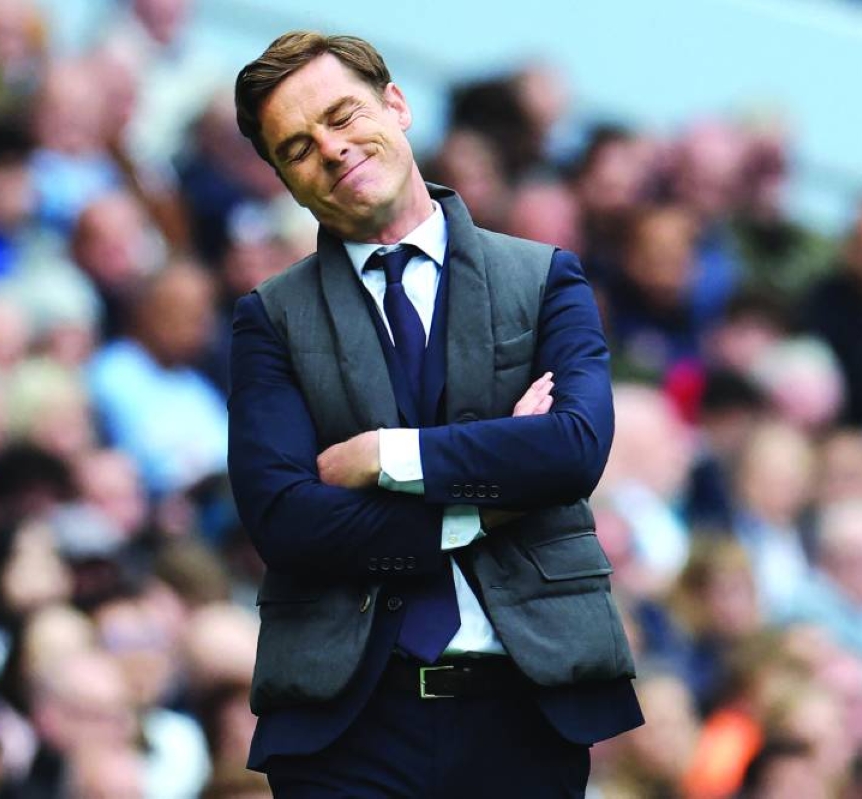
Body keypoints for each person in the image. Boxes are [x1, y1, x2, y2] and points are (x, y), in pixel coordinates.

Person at [228, 31, 642, 798]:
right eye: (297, 146)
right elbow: (284, 516)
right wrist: (481, 509)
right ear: (285, 180)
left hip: (525, 713)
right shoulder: (270, 319)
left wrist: (389, 455)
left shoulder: (546, 278)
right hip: (346, 726)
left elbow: (574, 449)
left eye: (343, 114)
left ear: (397, 103)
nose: (332, 148)